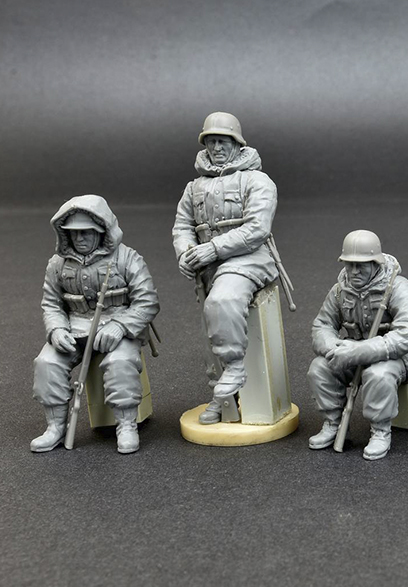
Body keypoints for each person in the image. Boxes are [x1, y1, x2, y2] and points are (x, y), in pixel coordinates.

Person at [172, 112, 278, 424]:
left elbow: (257, 229)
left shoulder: (256, 180)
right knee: (211, 332)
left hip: (249, 259)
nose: (217, 147)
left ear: (237, 144)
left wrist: (214, 248)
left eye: (223, 141)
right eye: (212, 141)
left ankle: (234, 367)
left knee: (223, 300)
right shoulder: (194, 187)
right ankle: (223, 399)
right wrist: (186, 253)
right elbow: (182, 226)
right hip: (207, 265)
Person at [31, 195, 159, 454]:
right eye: (74, 232)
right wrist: (56, 329)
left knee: (121, 362)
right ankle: (55, 427)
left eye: (86, 232)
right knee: (47, 363)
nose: (79, 238)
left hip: (117, 327)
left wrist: (121, 325)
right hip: (74, 328)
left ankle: (126, 424)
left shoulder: (127, 258)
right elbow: (51, 303)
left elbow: (147, 301)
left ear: (102, 231)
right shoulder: (57, 264)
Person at [307, 230, 408, 460]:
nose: (354, 271)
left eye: (361, 266)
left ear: (375, 263)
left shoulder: (398, 287)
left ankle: (380, 430)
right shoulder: (340, 290)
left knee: (378, 374)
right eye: (349, 265)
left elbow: (406, 335)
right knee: (319, 368)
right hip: (353, 350)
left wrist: (359, 352)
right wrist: (334, 349)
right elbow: (322, 325)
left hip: (397, 357)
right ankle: (334, 423)